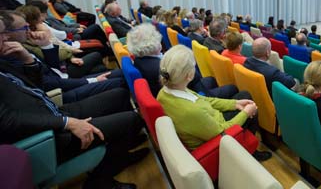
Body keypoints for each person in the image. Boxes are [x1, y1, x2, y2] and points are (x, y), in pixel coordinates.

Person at [0, 17, 147, 189]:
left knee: (121, 95)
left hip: (55, 112)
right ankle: (100, 182)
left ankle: (120, 151)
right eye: (1, 34)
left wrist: (27, 60)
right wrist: (66, 123)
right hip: (47, 135)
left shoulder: (4, 60)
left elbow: (37, 87)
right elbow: (7, 121)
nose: (5, 38)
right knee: (133, 119)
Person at [156, 45, 271, 161]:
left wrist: (235, 103)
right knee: (252, 110)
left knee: (244, 96)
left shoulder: (167, 90)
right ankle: (249, 150)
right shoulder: (191, 111)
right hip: (217, 140)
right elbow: (222, 133)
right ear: (189, 75)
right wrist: (246, 113)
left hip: (211, 121)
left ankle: (246, 145)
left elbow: (205, 100)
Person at [1, 10, 126, 104]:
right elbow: (49, 83)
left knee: (118, 72)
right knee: (120, 81)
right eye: (24, 27)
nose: (29, 29)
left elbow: (52, 68)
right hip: (59, 94)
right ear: (7, 34)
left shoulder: (21, 45)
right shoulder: (12, 54)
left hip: (61, 80)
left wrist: (46, 45)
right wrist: (92, 80)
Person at [127, 24, 237, 99]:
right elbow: (190, 79)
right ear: (152, 44)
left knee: (211, 80)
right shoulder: (161, 67)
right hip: (193, 96)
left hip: (188, 87)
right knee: (233, 88)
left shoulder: (140, 60)